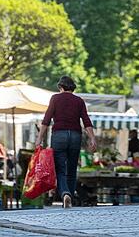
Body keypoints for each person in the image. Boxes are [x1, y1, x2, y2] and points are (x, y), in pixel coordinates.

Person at [35, 76, 97, 208]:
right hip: (75, 136)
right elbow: (86, 120)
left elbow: (46, 119)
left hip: (59, 136)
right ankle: (70, 194)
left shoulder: (55, 98)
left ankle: (65, 193)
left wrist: (39, 138)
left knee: (60, 168)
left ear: (60, 87)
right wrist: (92, 138)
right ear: (72, 88)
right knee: (72, 168)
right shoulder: (79, 101)